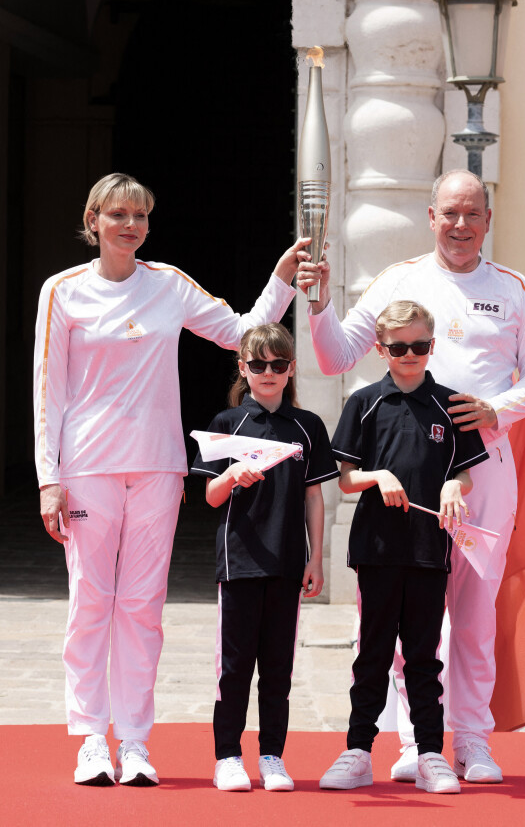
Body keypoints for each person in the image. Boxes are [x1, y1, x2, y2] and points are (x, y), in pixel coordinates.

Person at [33, 173, 305, 787]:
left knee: (142, 608)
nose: (131, 226)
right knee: (90, 604)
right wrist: (49, 478)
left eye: (142, 216)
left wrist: (281, 280)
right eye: (119, 215)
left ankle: (133, 740)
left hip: (158, 466)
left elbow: (239, 332)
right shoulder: (63, 291)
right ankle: (89, 740)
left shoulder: (169, 286)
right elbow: (46, 388)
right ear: (94, 219)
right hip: (87, 466)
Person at [298, 169, 525, 783]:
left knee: (473, 611)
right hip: (412, 477)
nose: (460, 225)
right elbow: (336, 356)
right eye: (449, 213)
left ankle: (473, 740)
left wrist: (498, 410)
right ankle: (416, 740)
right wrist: (318, 303)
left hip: (482, 472)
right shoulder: (399, 281)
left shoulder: (512, 286)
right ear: (431, 216)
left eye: (472, 214)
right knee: (409, 612)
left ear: (487, 219)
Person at [319, 301, 489, 794]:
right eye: (398, 347)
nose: (409, 354)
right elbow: (346, 479)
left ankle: (431, 754)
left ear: (431, 346)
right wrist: (379, 475)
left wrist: (459, 484)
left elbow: (465, 471)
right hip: (376, 548)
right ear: (380, 349)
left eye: (418, 346)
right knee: (371, 653)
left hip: (429, 549)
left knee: (423, 655)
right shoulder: (365, 402)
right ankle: (357, 751)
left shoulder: (451, 405)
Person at [190, 323, 339, 792]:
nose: (268, 372)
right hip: (239, 562)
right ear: (243, 369)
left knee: (278, 668)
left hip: (288, 561)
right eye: (258, 364)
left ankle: (272, 755)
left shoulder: (307, 426)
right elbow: (211, 497)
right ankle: (227, 756)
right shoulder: (225, 424)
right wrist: (234, 473)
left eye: (278, 364)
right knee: (234, 668)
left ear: (291, 368)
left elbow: (315, 498)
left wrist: (317, 560)